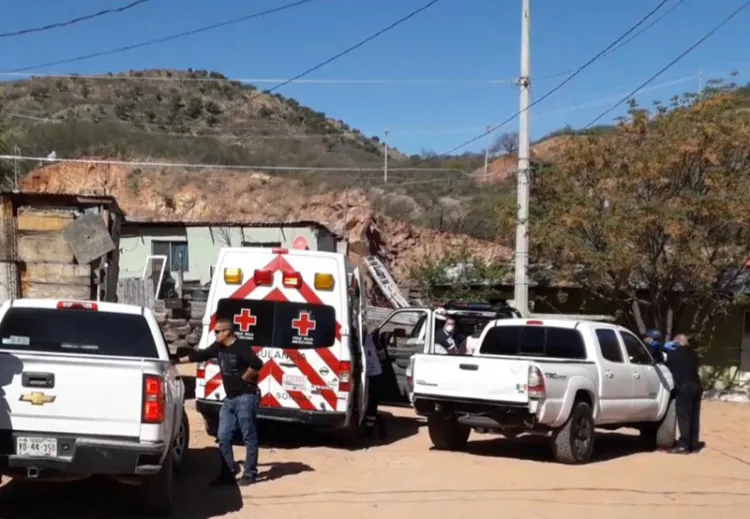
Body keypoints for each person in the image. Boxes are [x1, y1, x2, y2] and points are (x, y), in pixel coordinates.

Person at [177, 317, 264, 486]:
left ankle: (250, 473)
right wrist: (176, 361)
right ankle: (228, 473)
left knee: (249, 436)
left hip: (246, 398)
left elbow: (257, 364)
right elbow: (200, 355)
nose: (215, 334)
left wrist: (243, 379)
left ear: (227, 332)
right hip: (229, 400)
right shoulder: (219, 347)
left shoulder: (241, 347)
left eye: (217, 331)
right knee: (223, 436)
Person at [664, 334, 702, 454]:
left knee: (684, 417)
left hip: (685, 388)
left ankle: (684, 445)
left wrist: (665, 347)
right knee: (694, 418)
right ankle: (694, 445)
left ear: (676, 343)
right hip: (697, 387)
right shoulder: (693, 354)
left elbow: (664, 358)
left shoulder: (673, 354)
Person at [362, 325, 386, 439]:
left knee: (369, 403)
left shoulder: (359, 339)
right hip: (373, 373)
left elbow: (382, 356)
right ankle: (369, 429)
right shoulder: (374, 339)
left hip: (368, 374)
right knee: (371, 403)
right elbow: (383, 357)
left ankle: (369, 430)